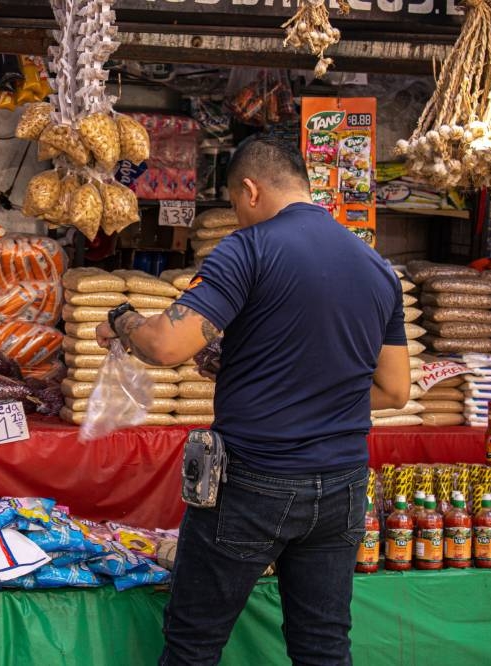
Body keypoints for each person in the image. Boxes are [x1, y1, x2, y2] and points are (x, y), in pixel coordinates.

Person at [96, 137, 409, 665]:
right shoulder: (376, 266)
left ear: (250, 189)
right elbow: (394, 391)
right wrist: (269, 378)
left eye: (237, 207)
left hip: (255, 480)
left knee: (194, 642)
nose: (239, 219)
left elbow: (167, 345)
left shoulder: (250, 249)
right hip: (343, 485)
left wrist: (121, 319)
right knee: (324, 644)